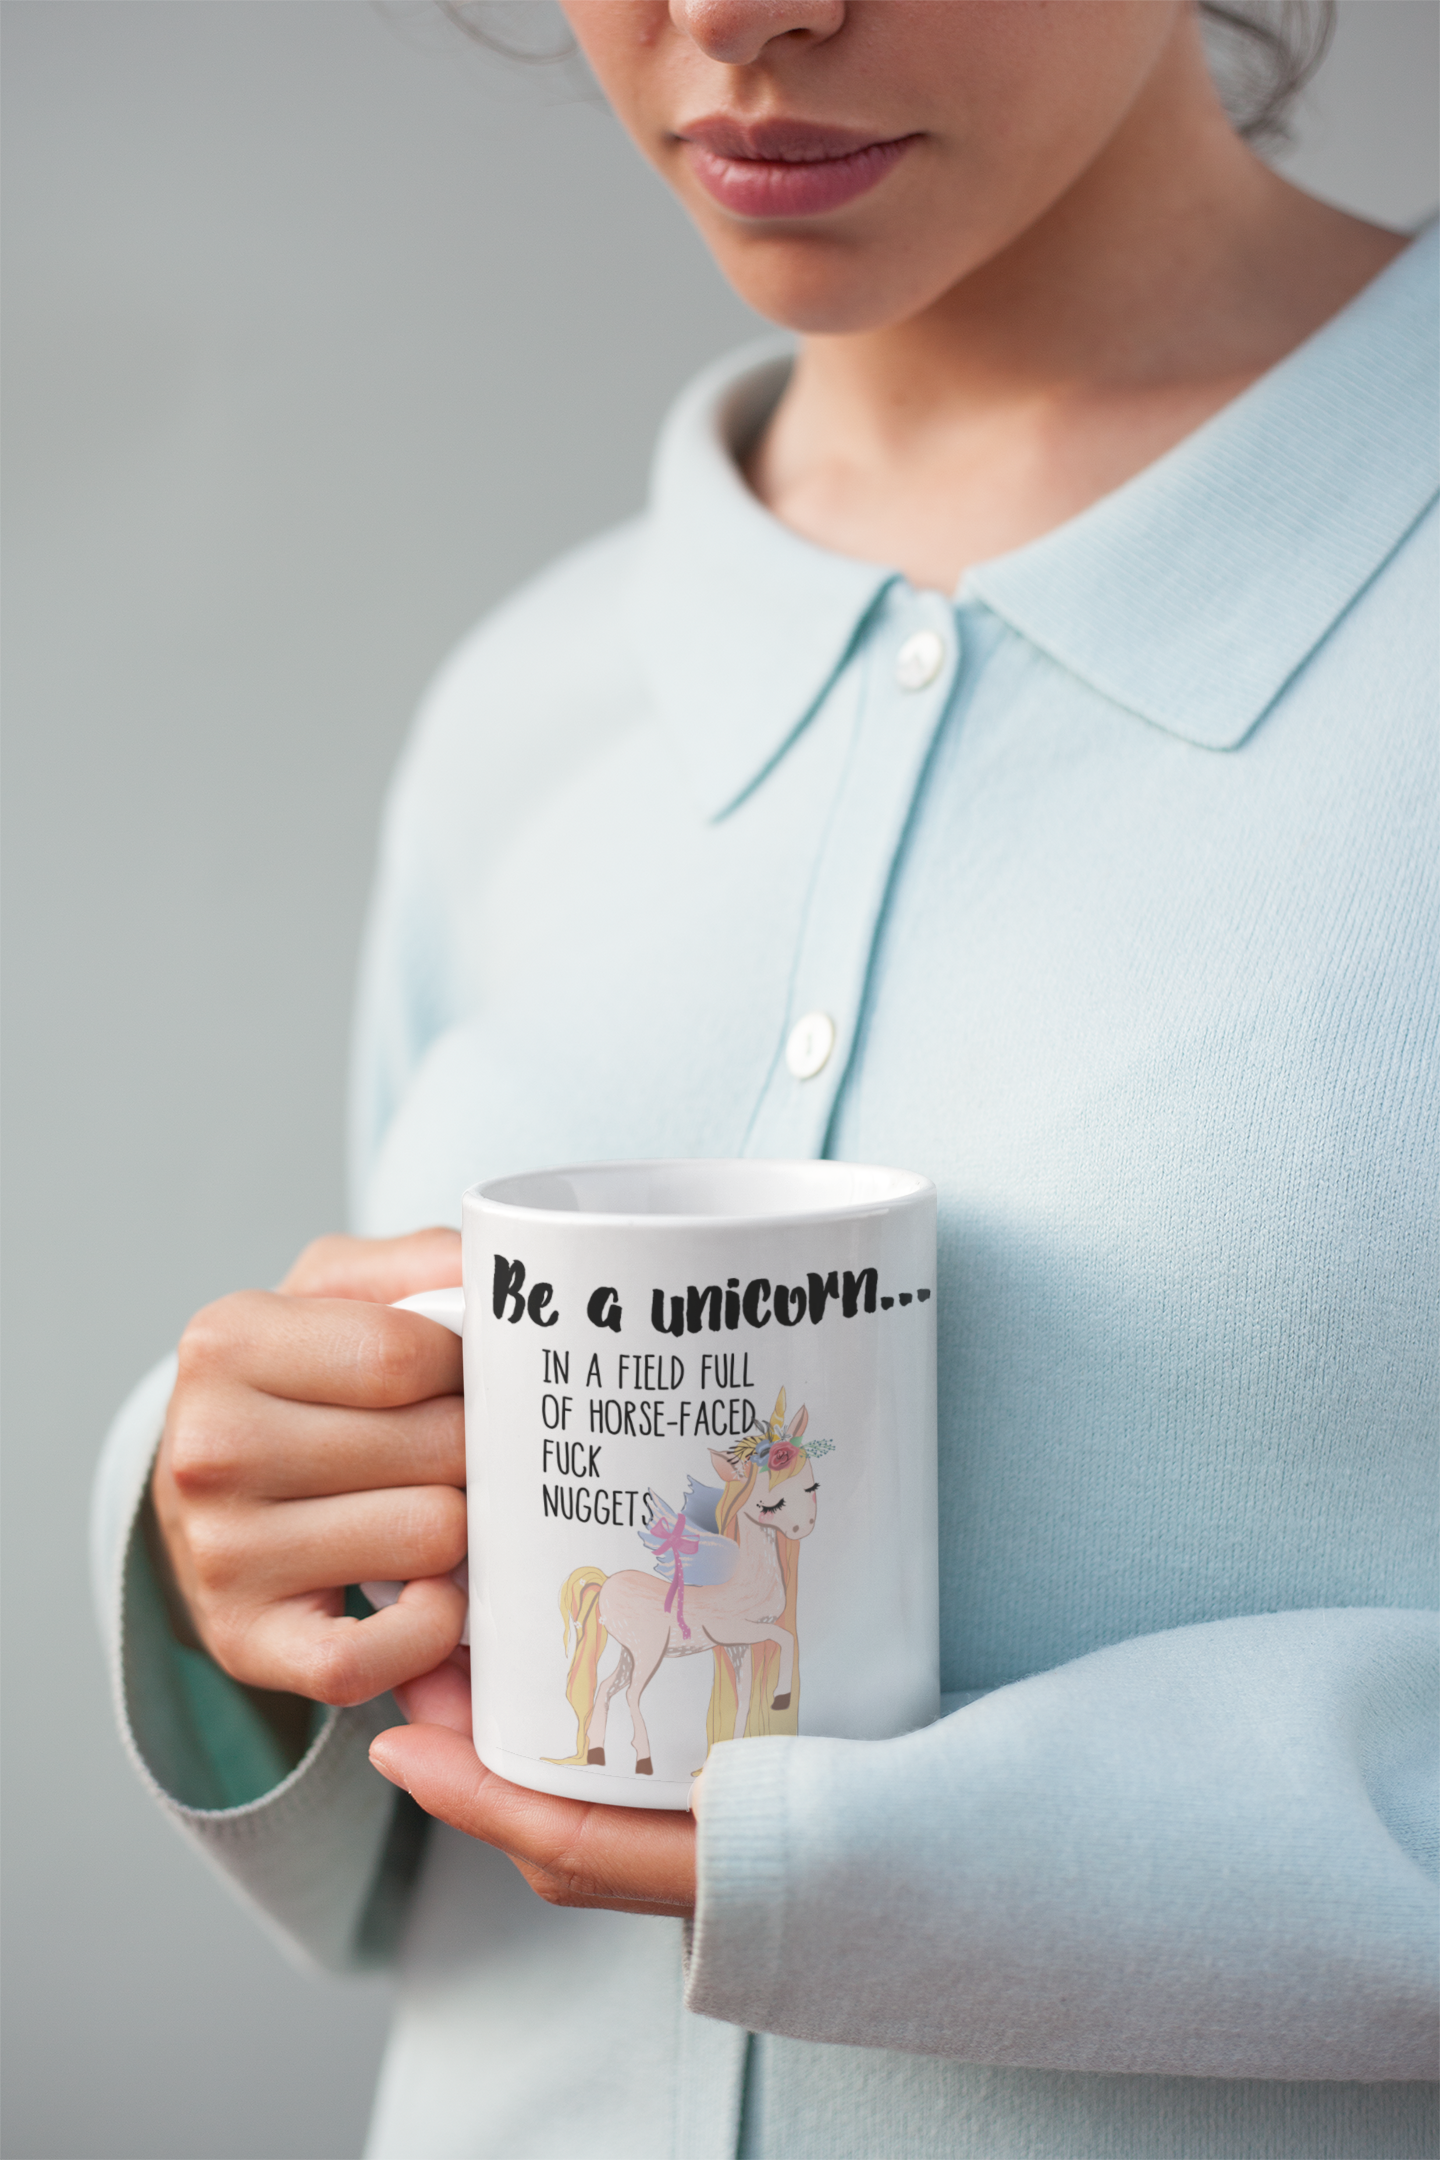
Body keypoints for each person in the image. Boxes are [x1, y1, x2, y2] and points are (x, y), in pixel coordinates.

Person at [93, 1, 1440, 2154]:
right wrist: (239, 1540)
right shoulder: (529, 710)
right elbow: (420, 1693)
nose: (736, 15)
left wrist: (945, 1866)